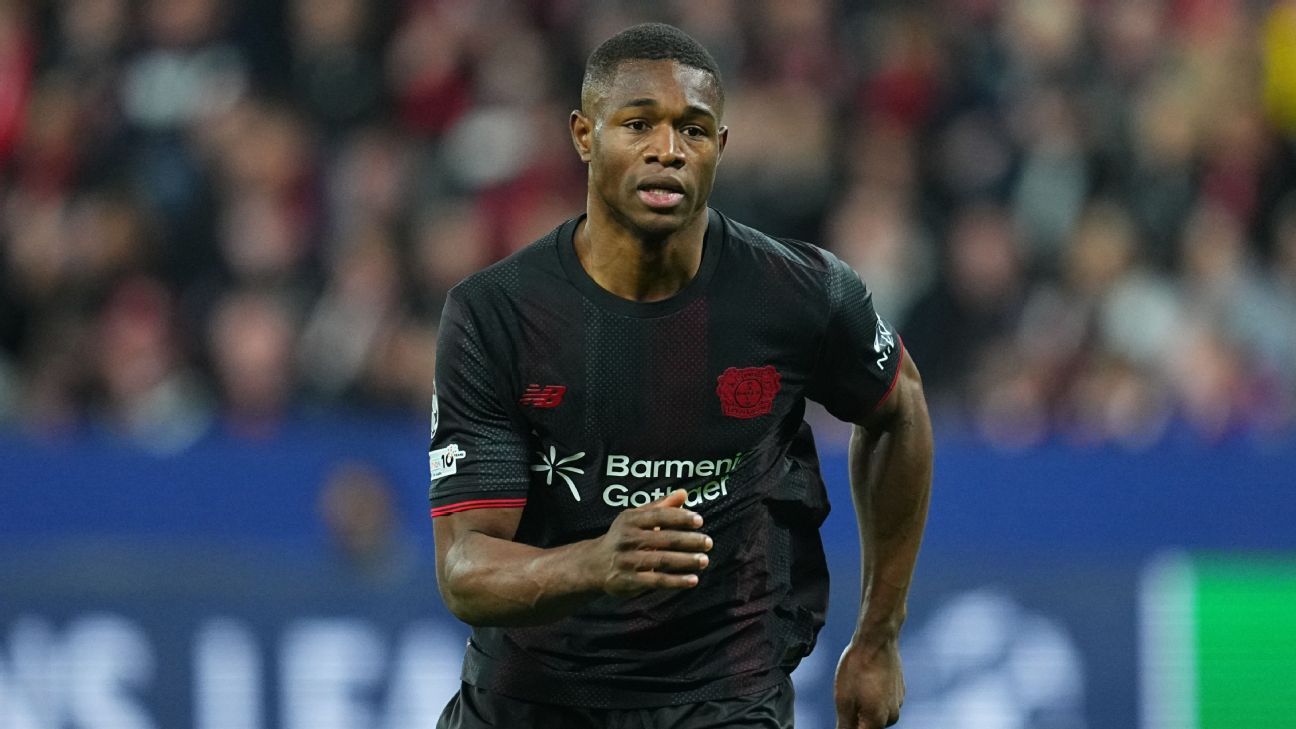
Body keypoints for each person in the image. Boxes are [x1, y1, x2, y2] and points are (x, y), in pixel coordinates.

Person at [428, 22, 933, 729]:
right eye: (639, 124)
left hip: (725, 694)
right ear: (584, 135)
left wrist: (878, 636)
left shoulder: (798, 293)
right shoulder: (497, 314)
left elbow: (899, 408)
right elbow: (464, 571)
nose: (668, 149)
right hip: (532, 696)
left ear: (719, 147)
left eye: (692, 130)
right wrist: (596, 563)